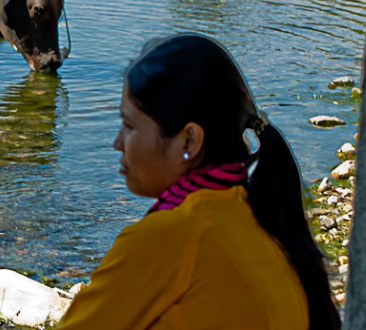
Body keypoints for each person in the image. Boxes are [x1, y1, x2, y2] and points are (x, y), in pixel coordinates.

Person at [58, 34, 340, 329]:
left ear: (190, 140)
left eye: (129, 125)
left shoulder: (170, 237)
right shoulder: (255, 213)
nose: (117, 142)